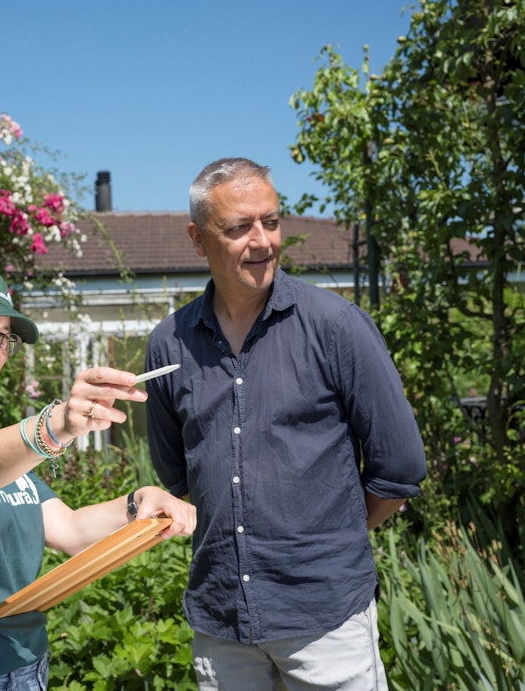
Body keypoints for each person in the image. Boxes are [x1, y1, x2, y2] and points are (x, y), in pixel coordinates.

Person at [144, 158, 427, 691]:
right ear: (198, 239)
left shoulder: (336, 327)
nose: (262, 241)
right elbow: (178, 475)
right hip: (222, 619)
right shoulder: (169, 345)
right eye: (238, 228)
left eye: (271, 222)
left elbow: (400, 467)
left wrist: (326, 539)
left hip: (325, 619)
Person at [0, 264, 196, 691]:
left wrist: (140, 501)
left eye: (3, 337)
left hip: (27, 670)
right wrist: (57, 422)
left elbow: (70, 528)